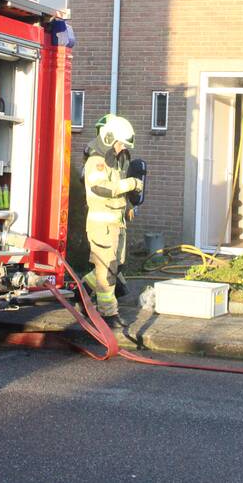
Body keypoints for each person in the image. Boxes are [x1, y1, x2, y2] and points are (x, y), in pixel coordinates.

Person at [82, 114, 142, 327]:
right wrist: (131, 184)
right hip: (102, 226)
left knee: (111, 266)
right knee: (107, 271)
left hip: (116, 225)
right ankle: (108, 315)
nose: (121, 148)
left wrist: (129, 206)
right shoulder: (97, 162)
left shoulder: (112, 161)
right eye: (119, 144)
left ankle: (82, 293)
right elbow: (102, 189)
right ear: (109, 138)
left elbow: (116, 190)